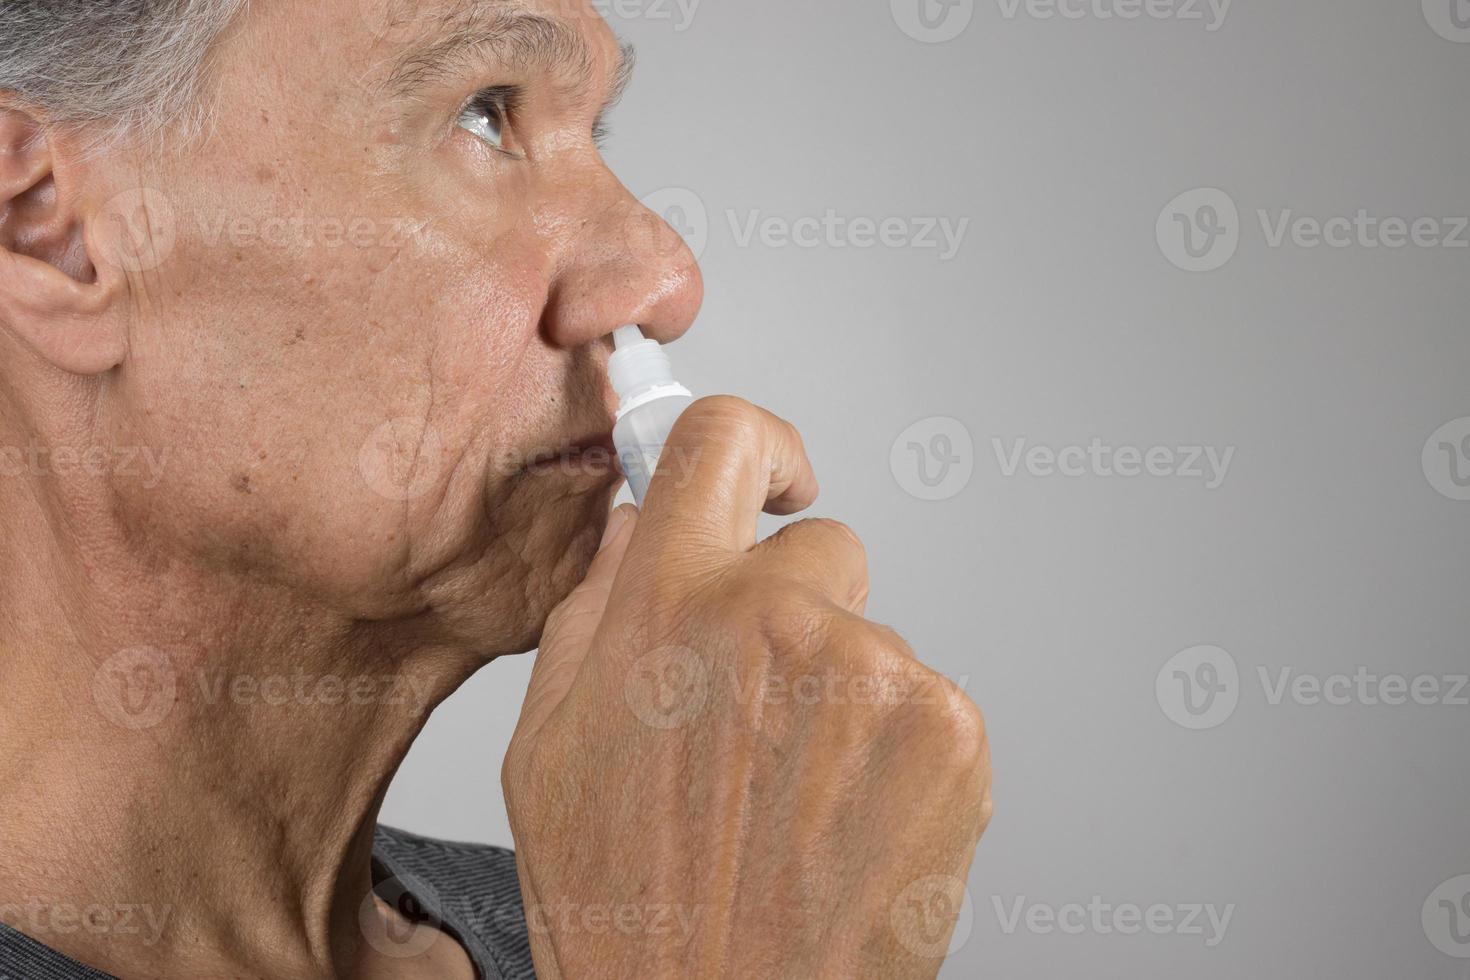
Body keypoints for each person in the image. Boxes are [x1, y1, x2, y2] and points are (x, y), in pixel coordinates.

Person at [0, 1, 992, 976]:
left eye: (592, 130)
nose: (663, 280)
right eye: (484, 112)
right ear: (48, 230)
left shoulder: (613, 925)